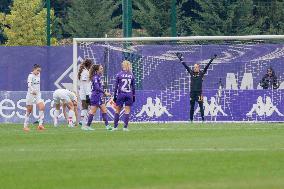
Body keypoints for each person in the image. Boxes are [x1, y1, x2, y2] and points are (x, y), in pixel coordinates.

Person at [177, 53, 217, 122]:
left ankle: (203, 120)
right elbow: (185, 65)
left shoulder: (201, 73)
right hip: (192, 93)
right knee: (192, 106)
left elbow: (207, 66)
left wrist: (211, 59)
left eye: (195, 67)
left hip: (199, 93)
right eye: (194, 67)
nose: (194, 68)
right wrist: (180, 58)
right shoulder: (191, 72)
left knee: (201, 106)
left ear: (198, 68)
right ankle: (191, 120)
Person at [84, 64, 112, 131]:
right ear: (97, 70)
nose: (102, 70)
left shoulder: (98, 77)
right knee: (94, 111)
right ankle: (87, 125)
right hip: (96, 96)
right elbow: (96, 87)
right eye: (101, 68)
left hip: (97, 96)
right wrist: (105, 93)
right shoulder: (95, 77)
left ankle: (107, 126)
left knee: (103, 110)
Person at [113, 60, 136, 131]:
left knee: (117, 110)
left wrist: (114, 96)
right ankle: (125, 127)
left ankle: (115, 127)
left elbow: (116, 86)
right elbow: (133, 87)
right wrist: (134, 96)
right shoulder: (131, 75)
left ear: (123, 65)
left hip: (121, 94)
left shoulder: (119, 74)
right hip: (129, 94)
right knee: (127, 110)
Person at [23, 64, 45, 131]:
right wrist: (32, 91)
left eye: (39, 71)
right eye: (37, 70)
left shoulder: (39, 74)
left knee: (42, 107)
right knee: (29, 110)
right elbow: (29, 85)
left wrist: (36, 92)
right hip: (30, 94)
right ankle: (25, 126)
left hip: (38, 94)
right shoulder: (30, 76)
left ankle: (40, 125)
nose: (38, 72)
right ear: (34, 69)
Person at [78, 59, 93, 126]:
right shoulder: (85, 72)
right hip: (85, 93)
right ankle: (83, 121)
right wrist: (87, 95)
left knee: (85, 107)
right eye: (91, 64)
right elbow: (85, 84)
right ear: (89, 65)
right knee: (86, 106)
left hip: (85, 92)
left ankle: (82, 121)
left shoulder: (86, 71)